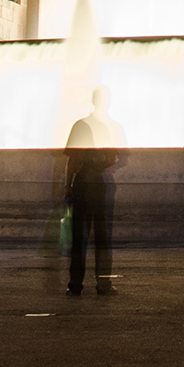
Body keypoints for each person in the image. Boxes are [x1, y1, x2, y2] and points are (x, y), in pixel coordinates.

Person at [61, 91, 122, 296]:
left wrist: (67, 186)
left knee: (79, 237)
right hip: (100, 185)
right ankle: (103, 284)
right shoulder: (107, 127)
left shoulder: (80, 126)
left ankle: (75, 284)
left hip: (82, 185)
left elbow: (72, 161)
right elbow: (113, 159)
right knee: (103, 237)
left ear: (93, 101)